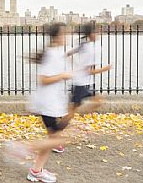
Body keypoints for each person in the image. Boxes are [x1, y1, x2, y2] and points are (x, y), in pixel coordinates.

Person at [14, 23, 73, 183]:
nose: (67, 36)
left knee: (53, 139)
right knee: (54, 140)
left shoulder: (55, 52)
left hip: (50, 104)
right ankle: (26, 156)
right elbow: (43, 79)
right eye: (65, 34)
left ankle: (36, 169)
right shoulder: (53, 54)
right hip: (48, 105)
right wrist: (63, 75)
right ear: (58, 36)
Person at [68, 23, 111, 115]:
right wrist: (105, 69)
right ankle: (60, 124)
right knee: (74, 108)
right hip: (80, 83)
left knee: (98, 101)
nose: (99, 34)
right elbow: (89, 71)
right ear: (91, 34)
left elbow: (69, 53)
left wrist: (74, 65)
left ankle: (78, 115)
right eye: (96, 32)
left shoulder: (86, 45)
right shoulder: (90, 49)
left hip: (83, 82)